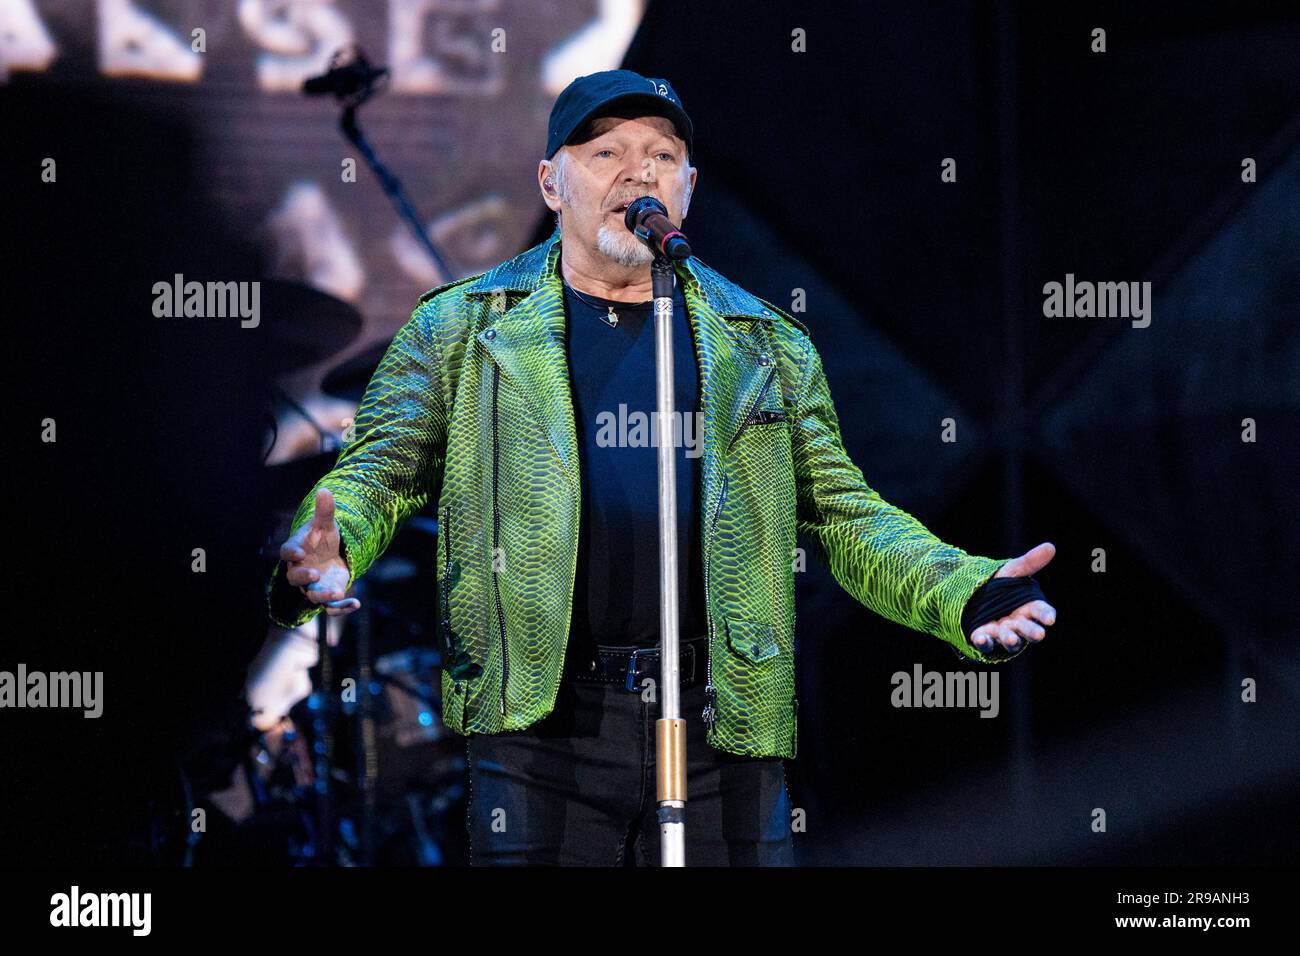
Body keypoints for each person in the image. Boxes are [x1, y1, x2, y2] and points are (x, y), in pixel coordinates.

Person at [266, 69, 1058, 866]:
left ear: (688, 186)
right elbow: (378, 472)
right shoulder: (460, 328)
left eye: (661, 154)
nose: (638, 171)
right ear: (550, 182)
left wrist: (961, 590)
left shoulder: (762, 340)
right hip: (544, 730)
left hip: (726, 725)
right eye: (606, 150)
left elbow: (845, 513)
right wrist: (330, 543)